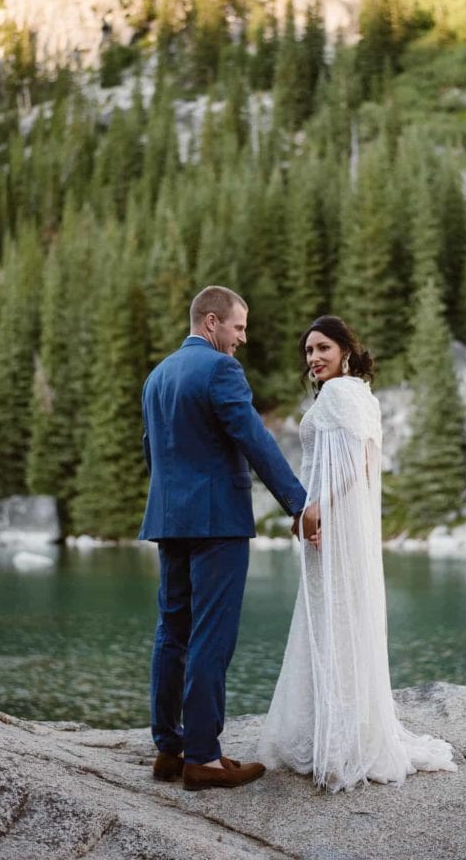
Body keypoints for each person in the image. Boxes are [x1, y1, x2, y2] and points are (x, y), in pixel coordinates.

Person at [258, 315, 457, 792]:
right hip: (335, 522)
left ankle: (340, 743)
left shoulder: (342, 394)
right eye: (308, 352)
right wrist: (310, 510)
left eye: (322, 348)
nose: (313, 359)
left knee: (334, 622)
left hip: (335, 522)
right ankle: (337, 733)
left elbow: (361, 465)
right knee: (337, 622)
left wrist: (317, 509)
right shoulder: (356, 394)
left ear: (345, 350)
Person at [139, 285, 315, 791]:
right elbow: (254, 439)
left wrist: (173, 502)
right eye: (238, 327)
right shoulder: (220, 370)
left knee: (172, 631)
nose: (242, 338)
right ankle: (205, 758)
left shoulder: (157, 375)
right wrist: (299, 503)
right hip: (217, 522)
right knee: (211, 635)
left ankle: (168, 748)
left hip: (170, 520)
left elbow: (153, 450)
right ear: (211, 322)